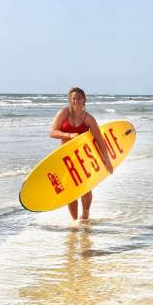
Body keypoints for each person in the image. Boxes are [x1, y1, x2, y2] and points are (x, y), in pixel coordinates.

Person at [50, 87, 114, 221]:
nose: (76, 101)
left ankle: (85, 215)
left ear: (84, 99)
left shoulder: (88, 118)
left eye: (78, 98)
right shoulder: (64, 113)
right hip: (65, 158)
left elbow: (99, 140)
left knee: (85, 187)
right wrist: (69, 135)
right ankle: (74, 221)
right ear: (70, 99)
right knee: (70, 191)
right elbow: (52, 132)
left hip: (82, 157)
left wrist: (107, 160)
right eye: (73, 98)